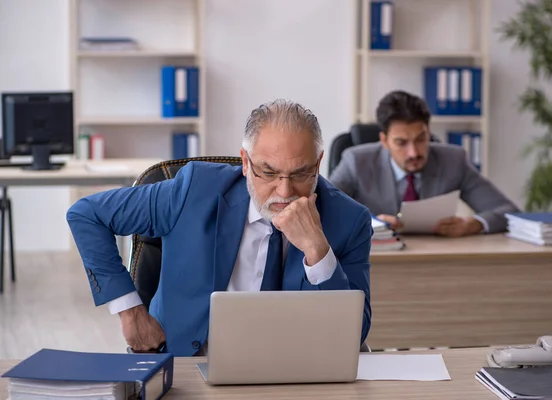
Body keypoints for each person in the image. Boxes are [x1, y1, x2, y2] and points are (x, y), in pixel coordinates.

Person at [66, 99, 373, 357]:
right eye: (268, 172)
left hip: (293, 376)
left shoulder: (349, 220)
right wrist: (129, 311)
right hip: (185, 366)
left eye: (301, 173)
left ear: (318, 164)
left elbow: (352, 337)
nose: (284, 191)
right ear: (245, 161)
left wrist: (317, 250)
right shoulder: (194, 190)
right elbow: (87, 214)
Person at [329, 90, 519, 237]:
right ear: (385, 141)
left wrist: (474, 224)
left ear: (429, 132)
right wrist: (370, 222)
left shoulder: (453, 160)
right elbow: (323, 209)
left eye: (421, 139)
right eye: (401, 143)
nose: (414, 152)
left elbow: (509, 212)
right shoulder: (355, 161)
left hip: (436, 260)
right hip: (375, 261)